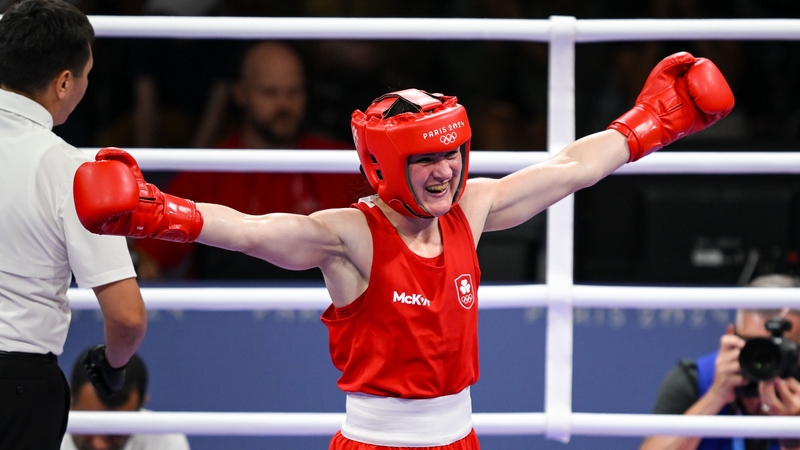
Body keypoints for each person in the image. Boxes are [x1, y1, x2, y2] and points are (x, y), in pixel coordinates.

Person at [73, 51, 734, 448]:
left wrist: (652, 123)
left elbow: (570, 168)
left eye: (453, 155)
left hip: (460, 437)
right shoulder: (351, 236)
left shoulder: (473, 207)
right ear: (386, 166)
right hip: (377, 442)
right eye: (426, 161)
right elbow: (251, 230)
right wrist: (154, 212)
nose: (446, 172)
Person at [0, 1, 148, 449]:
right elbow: (126, 317)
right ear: (64, 82)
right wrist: (113, 366)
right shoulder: (69, 170)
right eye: (86, 75)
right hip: (16, 383)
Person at [132, 40, 368, 280]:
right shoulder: (208, 171)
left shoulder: (340, 163)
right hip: (226, 302)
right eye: (270, 92)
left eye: (293, 92)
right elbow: (149, 256)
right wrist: (142, 263)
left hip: (323, 302)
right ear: (240, 94)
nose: (284, 105)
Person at [641, 274, 800, 450]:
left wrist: (793, 436)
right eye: (753, 345)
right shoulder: (696, 380)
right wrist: (715, 397)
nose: (765, 358)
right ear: (731, 335)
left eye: (780, 347)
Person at [62, 349, 191, 450]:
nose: (99, 445)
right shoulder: (49, 431)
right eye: (90, 425)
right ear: (69, 399)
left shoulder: (165, 436)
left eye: (115, 430)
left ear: (140, 407)